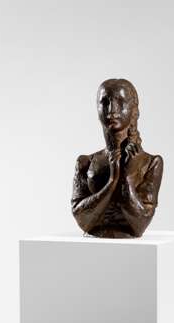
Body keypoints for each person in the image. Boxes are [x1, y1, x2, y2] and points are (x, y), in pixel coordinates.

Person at [71, 78, 163, 238]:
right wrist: (112, 180)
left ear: (134, 110)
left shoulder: (151, 163)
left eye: (121, 102)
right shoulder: (85, 162)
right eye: (105, 102)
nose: (112, 110)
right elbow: (83, 221)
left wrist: (126, 179)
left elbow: (140, 225)